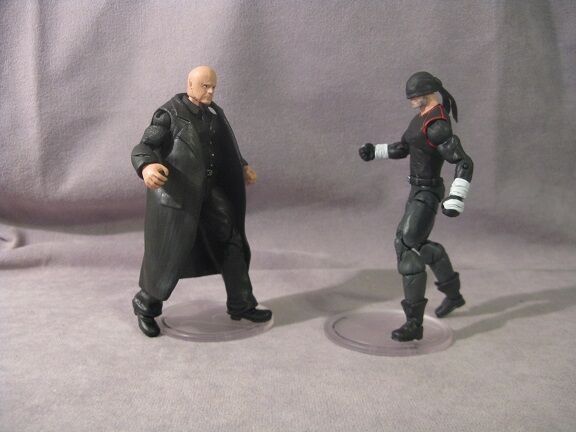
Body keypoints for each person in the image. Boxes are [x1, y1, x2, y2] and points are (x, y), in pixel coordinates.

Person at [131, 66, 272, 337]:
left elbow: (222, 149)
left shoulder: (213, 114)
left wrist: (242, 166)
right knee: (168, 255)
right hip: (179, 195)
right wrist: (146, 166)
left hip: (210, 191)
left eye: (213, 87)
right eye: (205, 86)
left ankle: (241, 303)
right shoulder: (168, 115)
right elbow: (145, 146)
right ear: (190, 85)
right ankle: (145, 305)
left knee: (231, 241)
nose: (210, 92)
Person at [358, 71, 474, 342]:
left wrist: (456, 197)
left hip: (428, 191)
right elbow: (403, 148)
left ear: (427, 93)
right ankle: (454, 295)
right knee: (419, 244)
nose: (410, 100)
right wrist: (376, 151)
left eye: (413, 95)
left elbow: (464, 162)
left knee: (406, 243)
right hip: (417, 189)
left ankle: (414, 323)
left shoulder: (437, 125)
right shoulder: (421, 118)